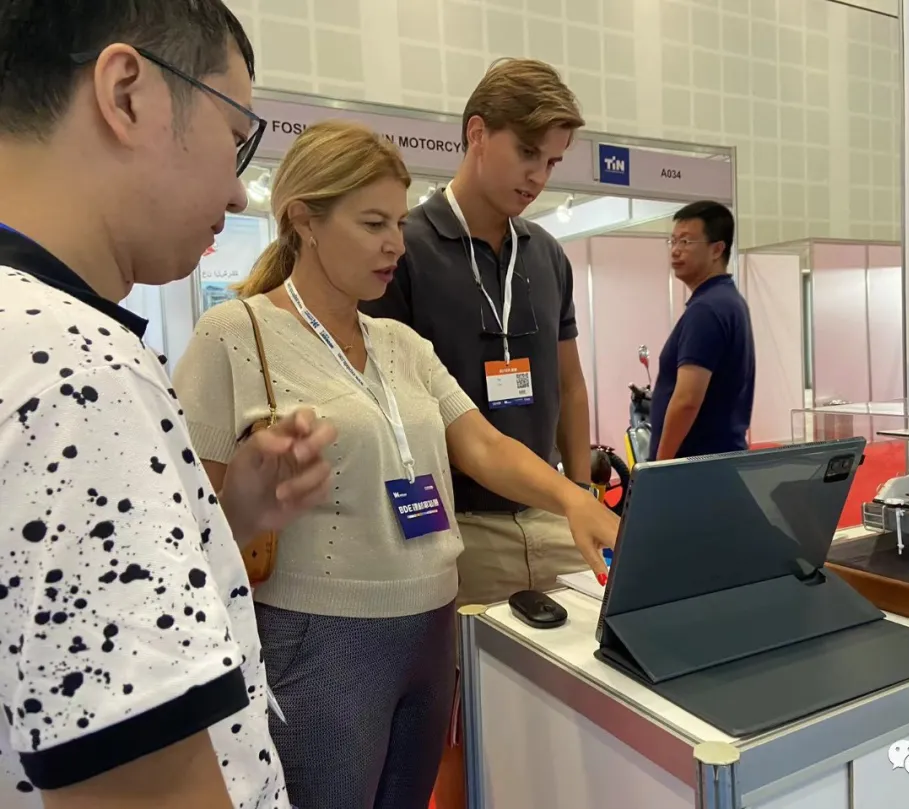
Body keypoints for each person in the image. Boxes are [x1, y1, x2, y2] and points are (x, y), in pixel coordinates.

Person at [171, 119, 619, 809]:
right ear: (305, 221)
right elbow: (190, 518)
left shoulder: (400, 343)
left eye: (399, 223)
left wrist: (574, 497)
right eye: (373, 223)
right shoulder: (237, 332)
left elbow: (482, 445)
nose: (395, 244)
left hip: (433, 623)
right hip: (320, 638)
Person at [0, 3, 338, 808]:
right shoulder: (75, 372)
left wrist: (225, 517)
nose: (240, 189)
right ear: (126, 92)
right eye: (235, 136)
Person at [361, 57, 596, 608]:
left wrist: (581, 492)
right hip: (457, 525)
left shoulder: (547, 254)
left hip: (554, 515)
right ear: (478, 134)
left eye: (552, 161)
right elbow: (392, 407)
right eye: (527, 152)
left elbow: (570, 385)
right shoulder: (403, 249)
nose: (539, 177)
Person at [650, 201, 755, 461]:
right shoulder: (728, 301)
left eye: (686, 242)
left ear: (717, 249)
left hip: (695, 466)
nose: (675, 250)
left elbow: (687, 400)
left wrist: (660, 465)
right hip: (719, 461)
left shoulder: (706, 309)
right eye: (673, 241)